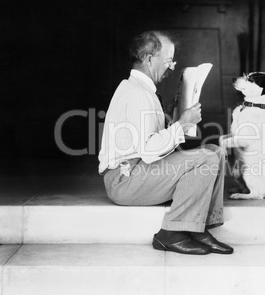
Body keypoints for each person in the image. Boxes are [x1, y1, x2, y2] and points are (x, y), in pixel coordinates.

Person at [98, 30, 233, 255]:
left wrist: (175, 118)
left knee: (214, 151)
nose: (171, 67)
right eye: (169, 61)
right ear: (149, 59)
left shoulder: (140, 89)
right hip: (124, 179)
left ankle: (198, 227)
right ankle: (171, 234)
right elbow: (150, 151)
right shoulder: (138, 94)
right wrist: (182, 123)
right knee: (206, 157)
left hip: (135, 171)